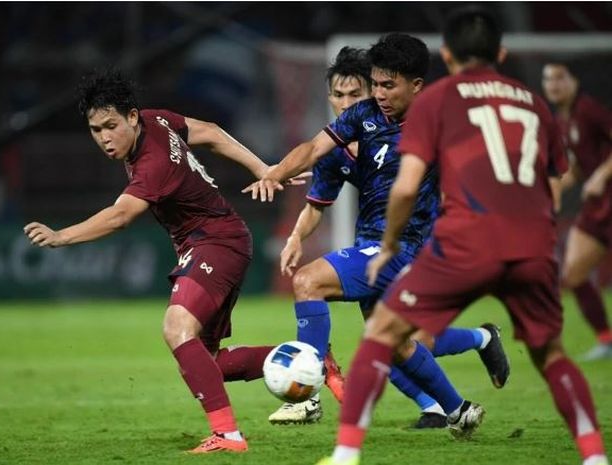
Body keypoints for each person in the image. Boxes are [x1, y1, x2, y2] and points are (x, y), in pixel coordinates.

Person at [315, 9, 609, 465]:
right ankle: (593, 457)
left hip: (465, 242)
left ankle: (346, 454)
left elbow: (407, 185)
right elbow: (556, 179)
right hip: (530, 243)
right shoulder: (533, 102)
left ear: (447, 55)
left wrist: (389, 243)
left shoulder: (437, 100)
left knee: (381, 335)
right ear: (503, 53)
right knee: (551, 354)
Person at [23, 69, 302, 454]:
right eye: (95, 129)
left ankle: (229, 436)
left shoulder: (153, 163)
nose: (104, 138)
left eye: (111, 126)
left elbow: (121, 217)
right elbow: (210, 132)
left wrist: (62, 236)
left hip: (215, 242)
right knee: (207, 363)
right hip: (220, 239)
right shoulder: (156, 120)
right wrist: (262, 168)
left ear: (132, 118)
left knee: (176, 327)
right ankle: (308, 359)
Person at [246, 33, 499, 437]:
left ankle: (308, 396)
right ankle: (459, 409)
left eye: (388, 85)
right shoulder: (363, 116)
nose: (378, 94)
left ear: (416, 84)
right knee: (395, 342)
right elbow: (313, 150)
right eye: (376, 84)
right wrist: (274, 173)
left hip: (405, 247)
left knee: (308, 282)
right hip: (374, 243)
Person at [542, 62, 612, 361]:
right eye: (548, 79)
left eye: (560, 78)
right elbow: (579, 167)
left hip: (607, 195)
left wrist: (601, 175)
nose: (554, 85)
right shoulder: (561, 120)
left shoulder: (589, 109)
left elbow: (597, 167)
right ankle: (607, 340)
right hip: (598, 205)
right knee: (573, 272)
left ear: (574, 80)